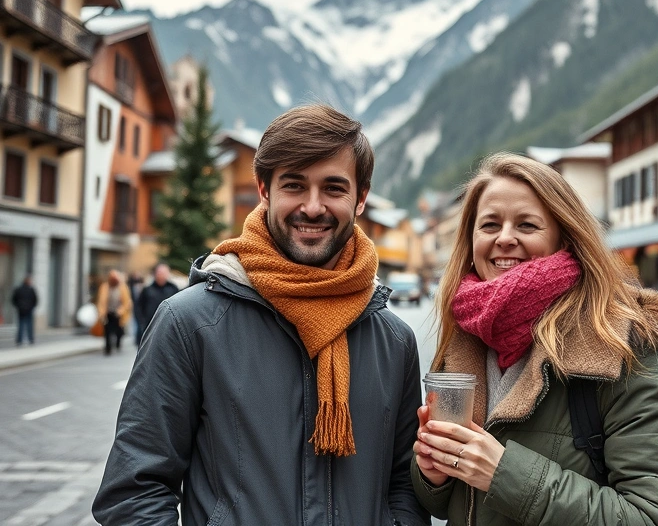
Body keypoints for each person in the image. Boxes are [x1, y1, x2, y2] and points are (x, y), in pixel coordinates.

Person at [93, 104, 429, 525]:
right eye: (294, 185)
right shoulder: (189, 324)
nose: (312, 206)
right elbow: (134, 491)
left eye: (333, 188)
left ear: (360, 198)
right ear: (264, 189)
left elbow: (402, 483)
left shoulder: (394, 341)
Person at [411, 153, 658, 525]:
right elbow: (450, 503)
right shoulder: (466, 338)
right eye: (490, 225)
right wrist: (435, 474)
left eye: (527, 225)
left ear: (566, 238)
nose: (505, 238)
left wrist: (504, 473)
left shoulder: (625, 349)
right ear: (471, 239)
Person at [134, 263, 179, 347]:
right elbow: (138, 307)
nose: (161, 276)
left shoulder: (173, 289)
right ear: (155, 274)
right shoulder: (147, 290)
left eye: (164, 273)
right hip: (150, 327)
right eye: (160, 273)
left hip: (169, 328)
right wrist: (141, 321)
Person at [95, 269, 132, 355]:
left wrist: (120, 311)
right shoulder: (104, 287)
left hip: (118, 313)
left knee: (119, 329)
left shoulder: (122, 288)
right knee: (107, 330)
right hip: (107, 312)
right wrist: (101, 313)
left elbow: (126, 302)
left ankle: (118, 342)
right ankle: (108, 347)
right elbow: (101, 301)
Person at [11, 275, 38, 345]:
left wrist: (18, 306)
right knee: (29, 325)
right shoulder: (31, 290)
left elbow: (13, 299)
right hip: (28, 310)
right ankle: (30, 339)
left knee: (21, 325)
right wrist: (32, 307)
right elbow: (35, 300)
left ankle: (19, 340)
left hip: (21, 310)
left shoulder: (18, 289)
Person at [126, 270, 145, 346]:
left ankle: (138, 339)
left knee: (138, 323)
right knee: (135, 323)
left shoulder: (143, 287)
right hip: (133, 306)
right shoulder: (130, 286)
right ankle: (137, 339)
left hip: (139, 307)